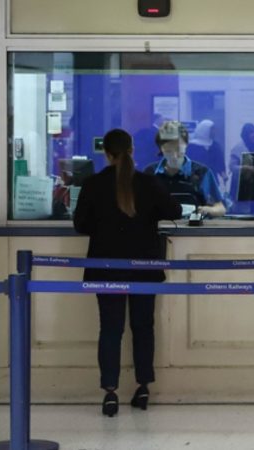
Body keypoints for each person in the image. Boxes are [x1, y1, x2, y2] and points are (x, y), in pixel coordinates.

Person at [72, 129, 182, 417]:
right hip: (144, 268)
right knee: (143, 327)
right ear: (132, 150)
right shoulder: (148, 183)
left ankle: (109, 392)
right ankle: (143, 387)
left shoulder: (93, 184)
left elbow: (80, 225)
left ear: (106, 154)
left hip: (105, 267)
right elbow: (175, 209)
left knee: (110, 329)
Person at [144, 121, 227, 218]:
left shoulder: (202, 173)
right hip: (158, 230)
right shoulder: (150, 173)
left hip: (192, 230)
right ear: (160, 148)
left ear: (186, 144)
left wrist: (207, 209)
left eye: (179, 150)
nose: (174, 156)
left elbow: (220, 208)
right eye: (168, 151)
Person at [187, 119, 226, 186]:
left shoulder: (215, 146)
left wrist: (223, 175)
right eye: (212, 130)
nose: (214, 132)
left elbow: (220, 162)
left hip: (212, 179)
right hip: (195, 179)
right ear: (204, 130)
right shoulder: (191, 146)